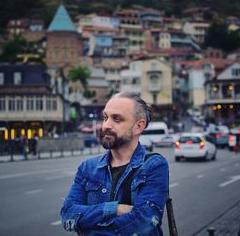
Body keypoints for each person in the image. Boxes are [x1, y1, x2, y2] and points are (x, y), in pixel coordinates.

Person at [60, 92, 169, 236]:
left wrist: (90, 228)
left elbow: (144, 223)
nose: (106, 125)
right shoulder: (88, 168)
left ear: (138, 126)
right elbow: (68, 214)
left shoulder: (153, 166)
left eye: (117, 119)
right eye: (105, 117)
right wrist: (115, 209)